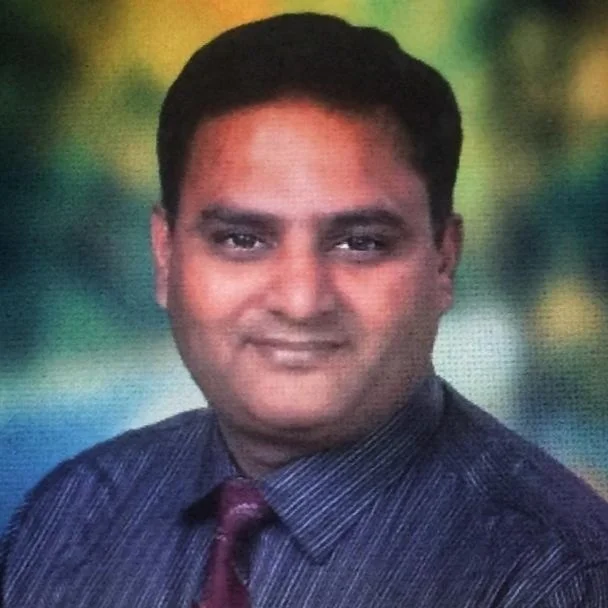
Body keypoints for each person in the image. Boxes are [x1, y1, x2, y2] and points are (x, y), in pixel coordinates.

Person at [1, 12, 608, 608]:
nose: (300, 301)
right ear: (166, 257)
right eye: (242, 239)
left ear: (443, 260)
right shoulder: (69, 515)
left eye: (361, 243)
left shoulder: (555, 577)